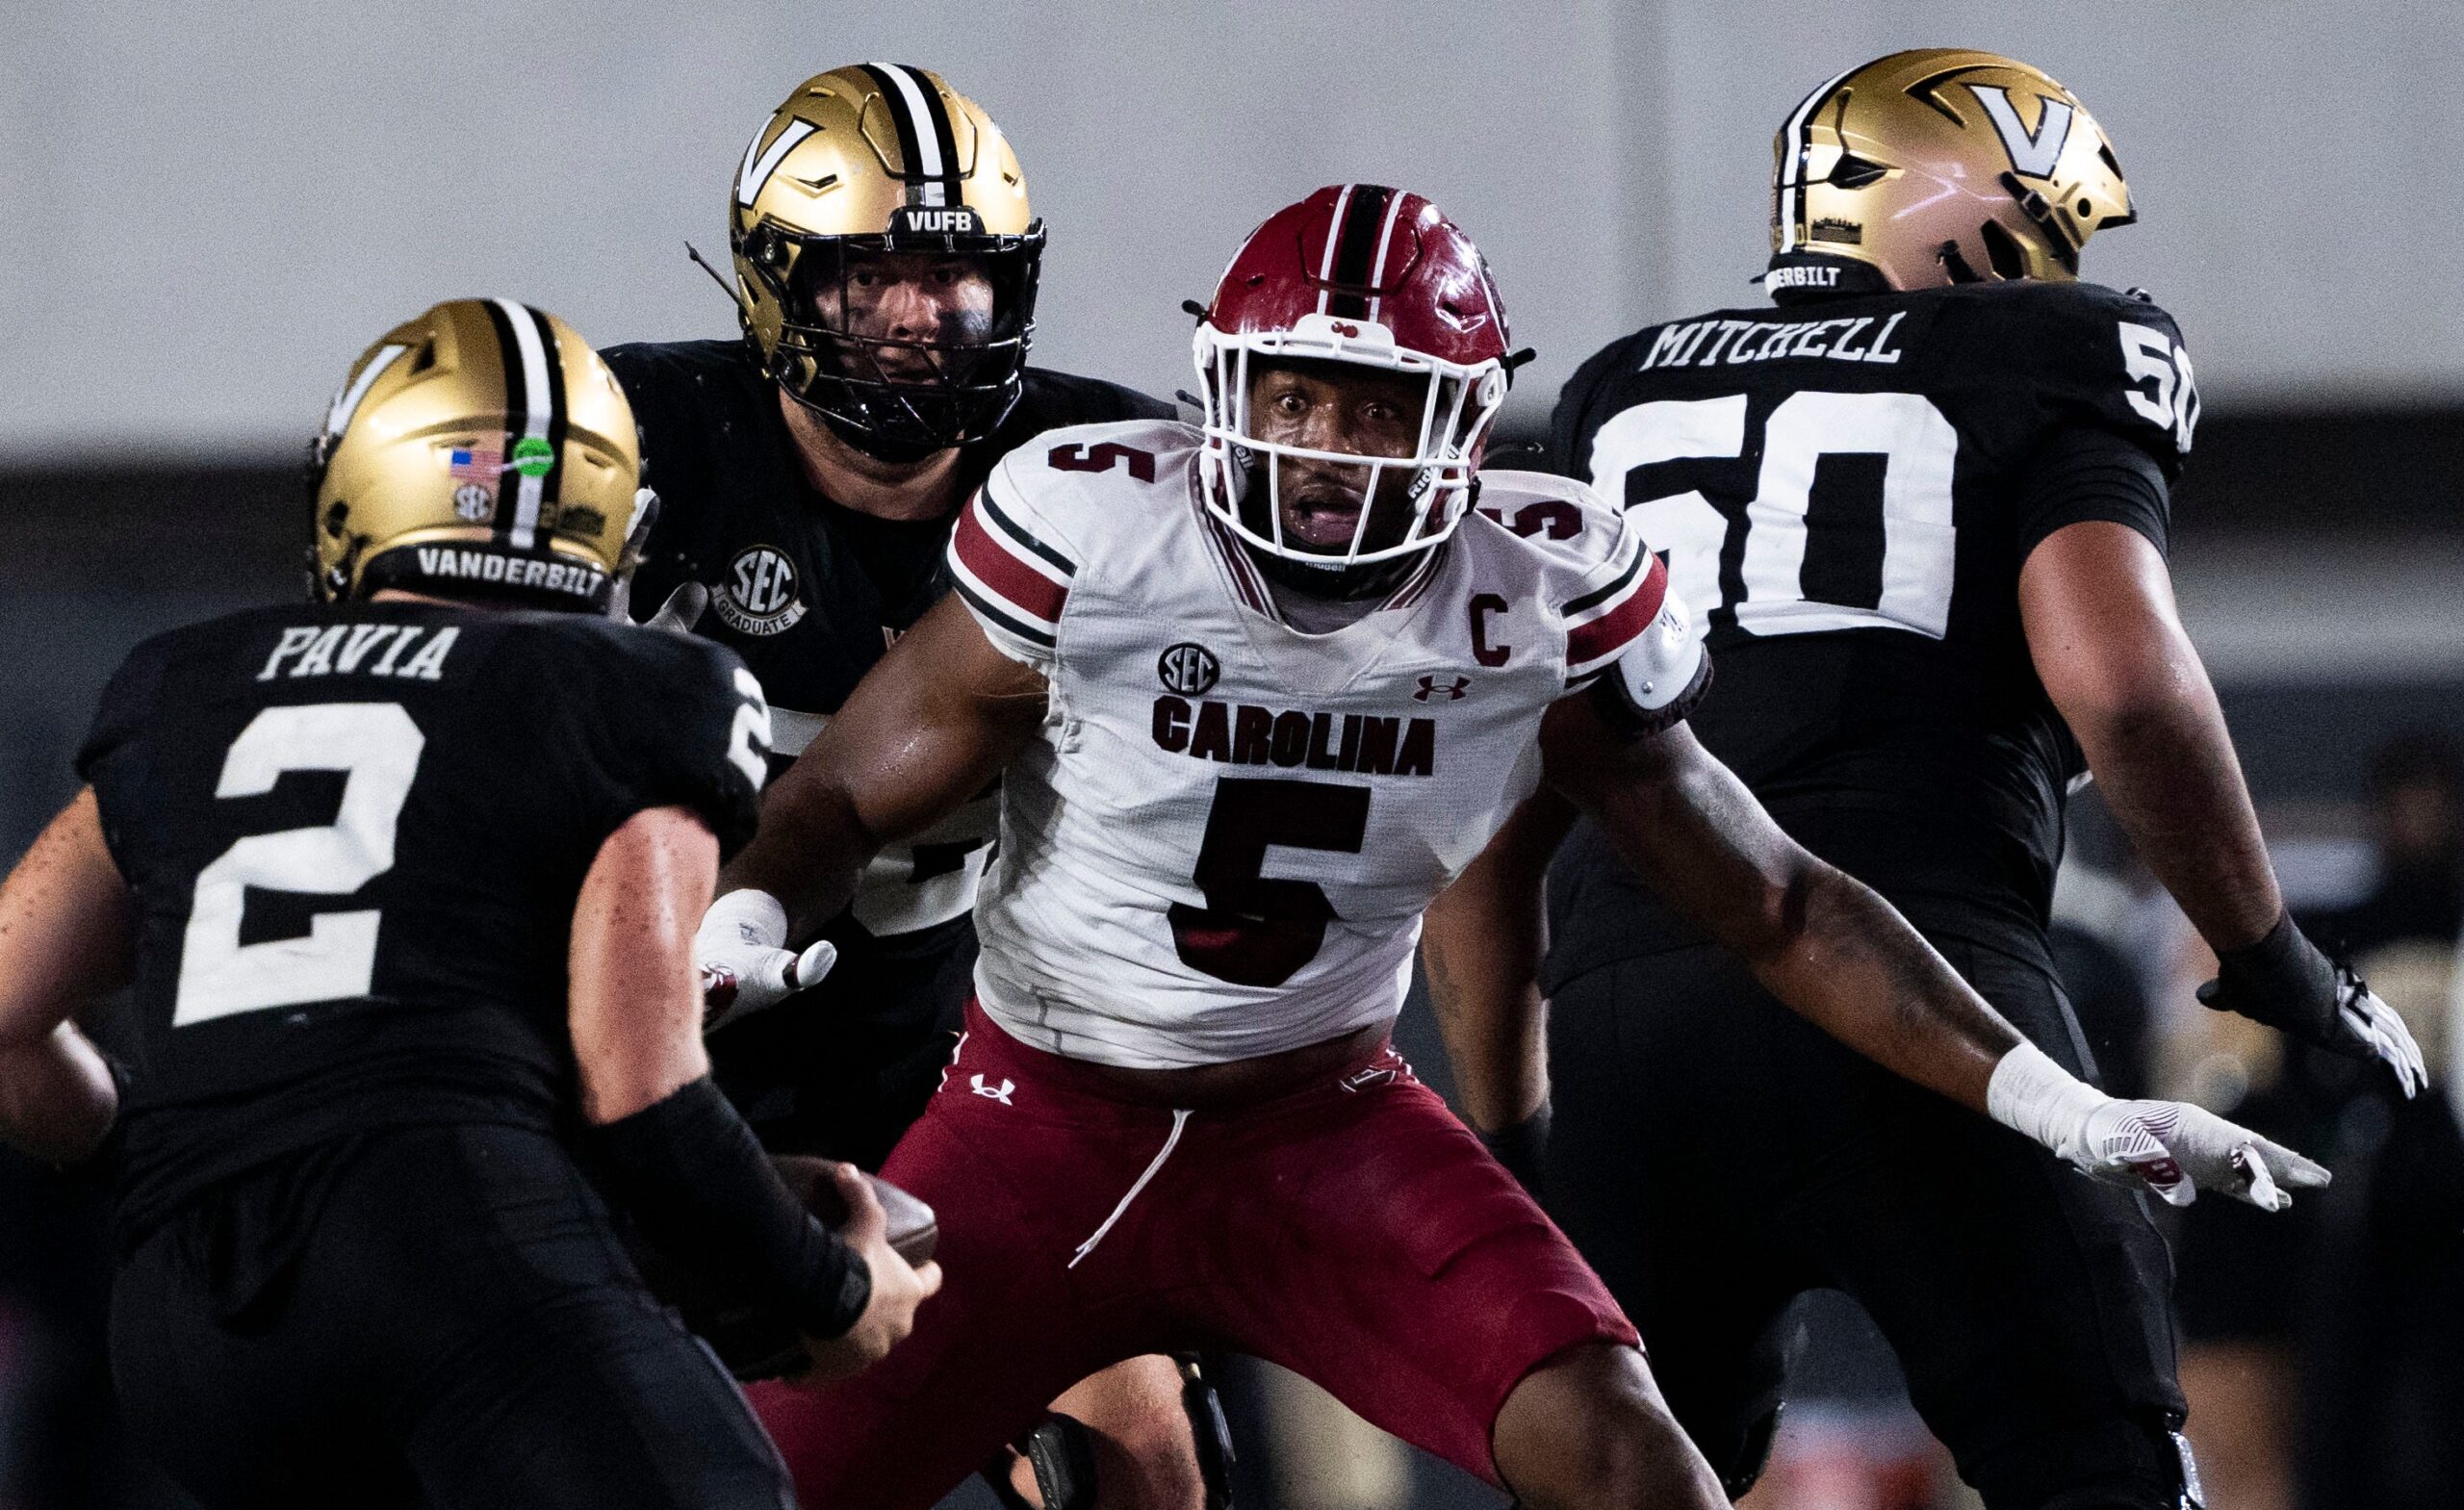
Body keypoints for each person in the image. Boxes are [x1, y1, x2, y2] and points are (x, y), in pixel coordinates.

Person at [704, 182, 2320, 1510]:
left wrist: (2056, 1095)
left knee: (1637, 1462)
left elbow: (1771, 897)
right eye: (1298, 396)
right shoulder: (1098, 531)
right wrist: (749, 912)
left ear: (1468, 430)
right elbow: (844, 789)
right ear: (1225, 391)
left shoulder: (1534, 595)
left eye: (1378, 405)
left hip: (1323, 1124)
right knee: (738, 1476)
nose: (1331, 449)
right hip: (1033, 1120)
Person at [1434, 48, 2425, 1510]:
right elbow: (2127, 689)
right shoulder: (2051, 348)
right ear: (1975, 211)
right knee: (2096, 1467)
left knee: (1632, 1482)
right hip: (1926, 983)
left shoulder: (1614, 394)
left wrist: (1519, 1137)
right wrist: (2269, 953)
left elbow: (1496, 815)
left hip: (1629, 1012)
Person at [0, 299, 937, 1509]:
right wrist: (829, 1290)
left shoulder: (184, 682)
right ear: (613, 524)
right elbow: (641, 1087)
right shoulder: (635, 686)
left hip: (191, 1322)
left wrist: (166, 1162)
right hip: (453, 1249)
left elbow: (11, 1015)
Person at [603, 64, 1209, 1507]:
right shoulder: (647, 440)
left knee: (1152, 1439)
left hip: (954, 1018)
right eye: (870, 281)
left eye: (957, 280)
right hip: (679, 1028)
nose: (922, 322)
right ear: (777, 290)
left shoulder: (1096, 469)